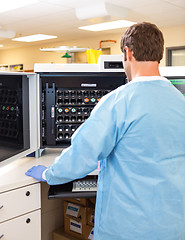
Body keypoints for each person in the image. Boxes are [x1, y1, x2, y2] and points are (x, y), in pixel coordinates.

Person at [26, 22, 185, 240]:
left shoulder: (118, 102)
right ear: (159, 54)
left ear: (127, 53)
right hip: (173, 227)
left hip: (127, 229)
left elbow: (82, 155)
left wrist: (49, 174)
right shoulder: (180, 101)